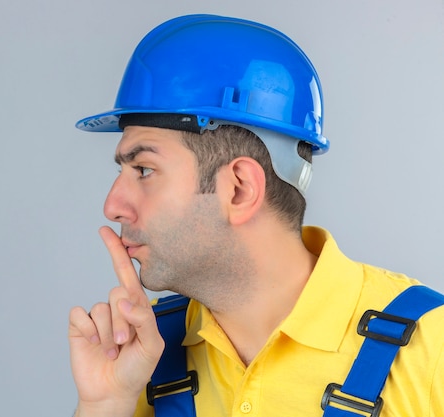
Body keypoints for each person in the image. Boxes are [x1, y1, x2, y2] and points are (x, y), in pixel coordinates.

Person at [68, 14, 444, 417]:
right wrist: (105, 404)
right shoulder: (145, 357)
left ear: (240, 189)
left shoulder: (432, 347)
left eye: (143, 170)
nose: (112, 205)